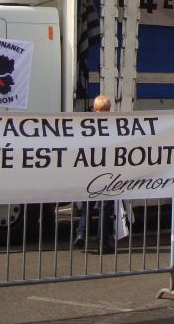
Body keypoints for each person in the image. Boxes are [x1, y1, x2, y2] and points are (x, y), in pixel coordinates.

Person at [74, 94, 116, 253]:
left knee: (87, 204)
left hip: (89, 170)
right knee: (105, 206)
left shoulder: (87, 126)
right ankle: (102, 241)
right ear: (109, 109)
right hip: (106, 172)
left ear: (95, 108)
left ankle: (81, 233)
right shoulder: (113, 126)